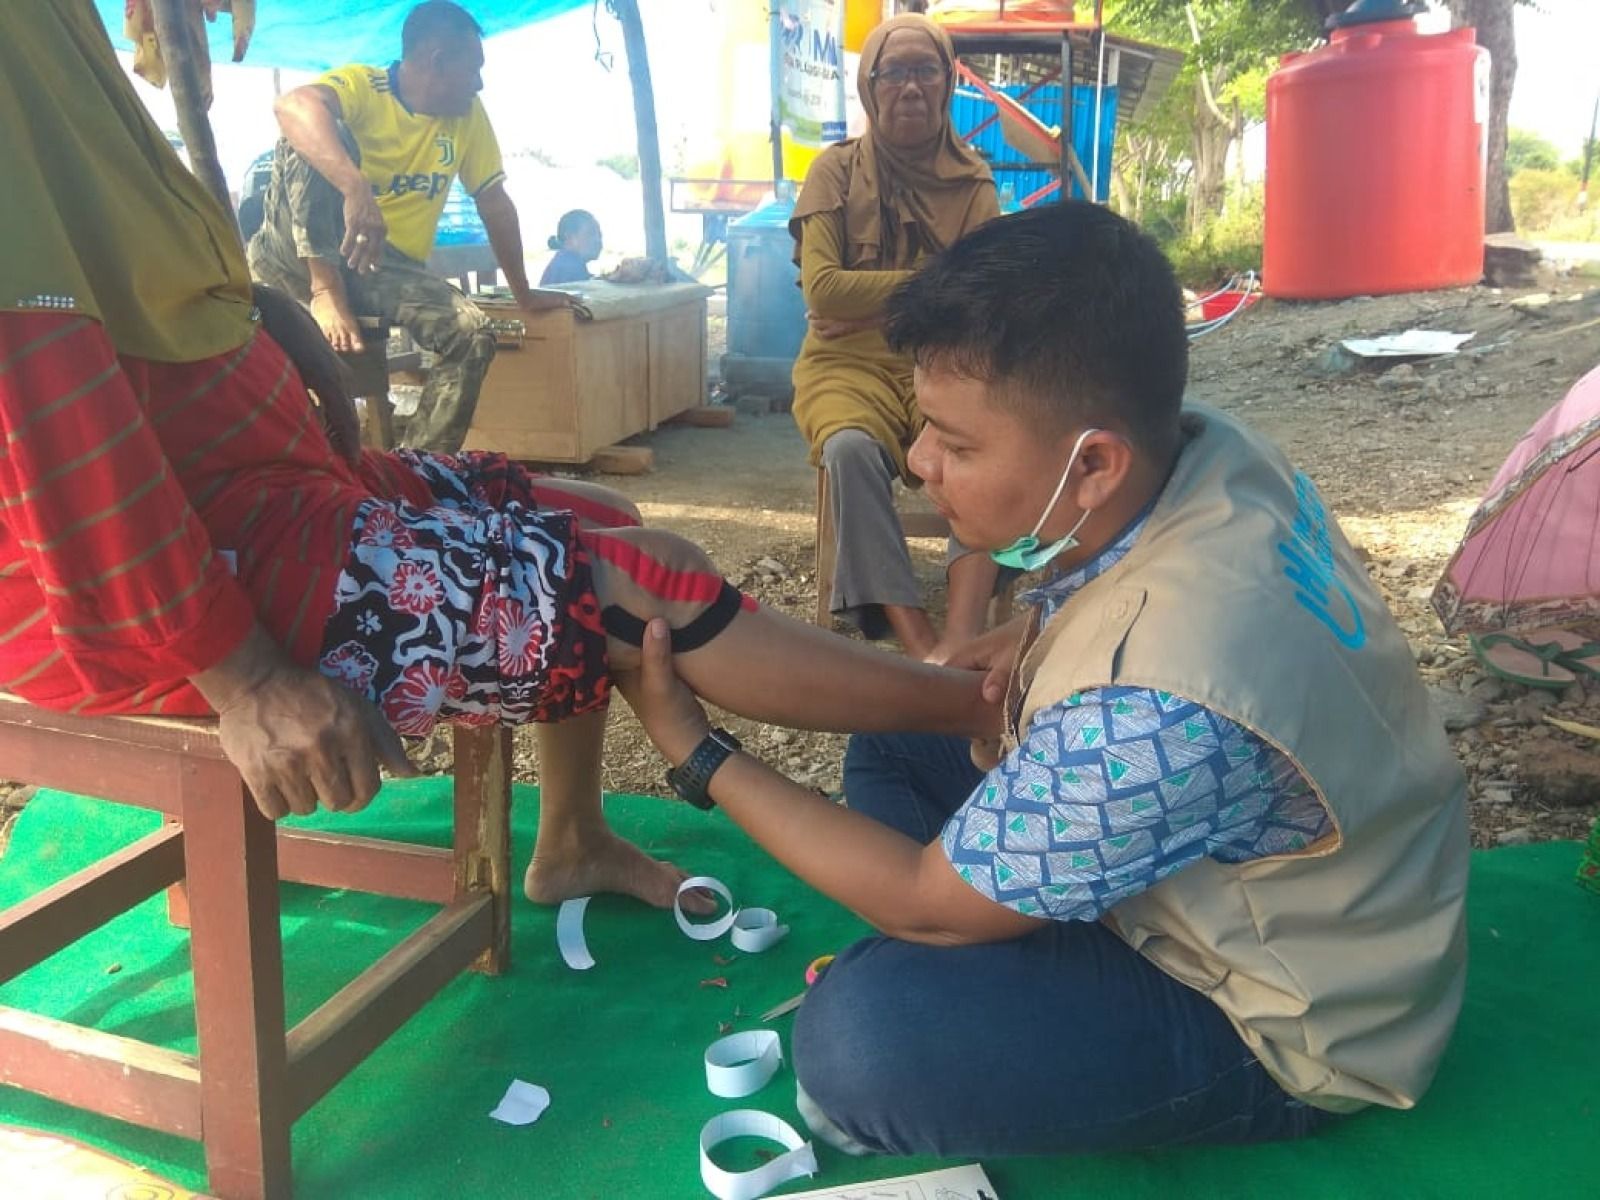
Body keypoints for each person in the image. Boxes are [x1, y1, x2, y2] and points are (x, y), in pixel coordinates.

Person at [1, 0, 998, 913]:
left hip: (272, 485)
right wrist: (241, 677)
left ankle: (569, 838)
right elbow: (49, 420)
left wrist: (284, 344)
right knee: (649, 584)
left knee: (601, 522)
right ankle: (978, 703)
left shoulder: (66, 37)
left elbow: (158, 277)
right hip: (149, 579)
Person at [624, 201, 1469, 1157]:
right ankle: (1009, 925)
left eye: (958, 441)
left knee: (861, 1039)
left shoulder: (1158, 703)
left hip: (1290, 1014)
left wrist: (699, 753)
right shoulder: (1213, 450)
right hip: (1278, 865)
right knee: (900, 742)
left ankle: (998, 960)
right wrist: (1038, 626)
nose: (917, 460)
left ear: (1093, 462)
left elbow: (916, 896)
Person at [789, 13, 1002, 662]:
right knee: (851, 450)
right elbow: (823, 291)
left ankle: (963, 635)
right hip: (842, 364)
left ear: (946, 85)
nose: (910, 88)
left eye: (926, 71)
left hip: (945, 362)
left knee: (988, 449)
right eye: (894, 72)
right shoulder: (834, 171)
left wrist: (870, 302)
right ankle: (920, 643)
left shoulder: (974, 186)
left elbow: (975, 303)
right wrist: (933, 283)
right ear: (868, 86)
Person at [248, 1, 552, 454]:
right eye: (474, 69)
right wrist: (354, 186)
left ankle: (417, 472)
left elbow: (494, 203)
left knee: (472, 334)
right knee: (318, 127)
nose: (480, 82)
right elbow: (291, 106)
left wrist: (523, 291)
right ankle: (325, 288)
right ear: (438, 61)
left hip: (380, 267)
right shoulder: (363, 87)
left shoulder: (467, 116)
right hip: (292, 256)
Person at [540, 209, 602, 286]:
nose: (598, 240)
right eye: (590, 234)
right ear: (569, 237)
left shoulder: (562, 261)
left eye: (599, 235)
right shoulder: (570, 267)